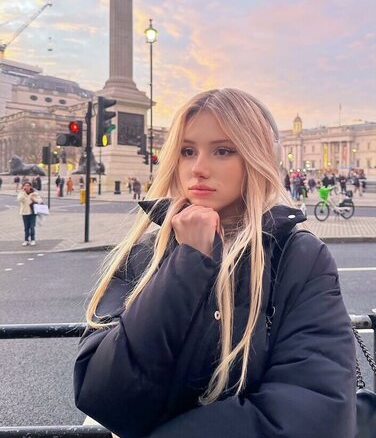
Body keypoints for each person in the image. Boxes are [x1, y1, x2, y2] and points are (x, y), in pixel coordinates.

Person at [74, 89, 356, 438]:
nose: (199, 168)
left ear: (257, 157)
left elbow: (316, 414)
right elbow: (103, 395)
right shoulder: (142, 255)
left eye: (223, 151)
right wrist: (188, 262)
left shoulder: (299, 257)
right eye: (187, 151)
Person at [17, 181, 43, 246]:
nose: (26, 187)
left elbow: (40, 201)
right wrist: (23, 192)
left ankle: (33, 240)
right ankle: (26, 240)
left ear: (30, 187)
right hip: (25, 212)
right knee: (26, 228)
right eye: (25, 186)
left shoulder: (34, 193)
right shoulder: (22, 193)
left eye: (28, 186)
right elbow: (19, 199)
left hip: (32, 212)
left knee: (32, 227)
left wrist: (33, 199)